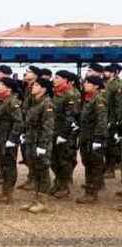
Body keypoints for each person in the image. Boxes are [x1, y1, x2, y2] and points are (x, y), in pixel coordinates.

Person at [19, 77, 55, 213]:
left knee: (42, 171)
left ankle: (43, 201)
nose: (34, 87)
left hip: (41, 142)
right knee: (34, 170)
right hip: (31, 141)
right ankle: (35, 199)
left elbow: (48, 127)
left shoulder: (47, 104)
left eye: (37, 85)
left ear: (44, 89)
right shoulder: (35, 103)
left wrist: (43, 145)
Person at [0, 78, 24, 204]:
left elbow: (19, 122)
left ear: (9, 88)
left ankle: (8, 193)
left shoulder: (12, 102)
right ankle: (4, 191)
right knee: (2, 164)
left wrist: (13, 138)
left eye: (1, 84)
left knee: (9, 165)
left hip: (7, 138)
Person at [77, 75, 109, 205]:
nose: (85, 85)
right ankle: (88, 191)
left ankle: (92, 193)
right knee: (87, 163)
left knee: (94, 165)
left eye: (88, 83)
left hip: (93, 138)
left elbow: (101, 121)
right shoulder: (88, 100)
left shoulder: (99, 100)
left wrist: (98, 139)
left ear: (96, 86)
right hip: (86, 137)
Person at [49, 70, 81, 198]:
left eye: (57, 77)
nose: (54, 79)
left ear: (65, 80)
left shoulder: (70, 94)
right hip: (54, 130)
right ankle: (58, 182)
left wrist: (64, 134)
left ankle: (64, 186)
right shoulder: (56, 94)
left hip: (65, 133)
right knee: (53, 159)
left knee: (64, 160)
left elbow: (71, 116)